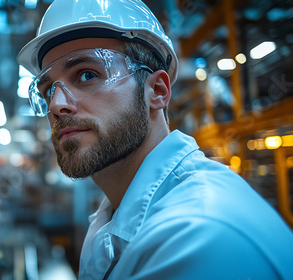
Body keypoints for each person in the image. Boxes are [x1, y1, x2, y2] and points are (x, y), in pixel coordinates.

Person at [17, 0, 293, 279]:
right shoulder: (117, 216)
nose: (56, 105)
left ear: (157, 91)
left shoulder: (197, 236)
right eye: (49, 90)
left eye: (87, 74)